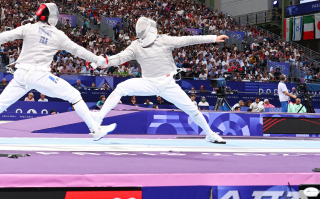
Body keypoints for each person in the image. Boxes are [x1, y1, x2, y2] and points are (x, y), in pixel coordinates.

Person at [0, 3, 114, 142]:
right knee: (74, 96)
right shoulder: (58, 35)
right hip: (40, 75)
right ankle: (95, 130)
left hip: (21, 75)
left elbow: (7, 35)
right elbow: (78, 51)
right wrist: (98, 60)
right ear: (53, 17)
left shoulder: (29, 27)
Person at [92, 17, 226, 143]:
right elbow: (120, 58)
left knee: (192, 109)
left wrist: (214, 38)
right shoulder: (136, 45)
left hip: (167, 84)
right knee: (120, 88)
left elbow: (187, 39)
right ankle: (99, 117)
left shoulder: (163, 40)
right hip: (148, 82)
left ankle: (210, 134)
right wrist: (104, 61)